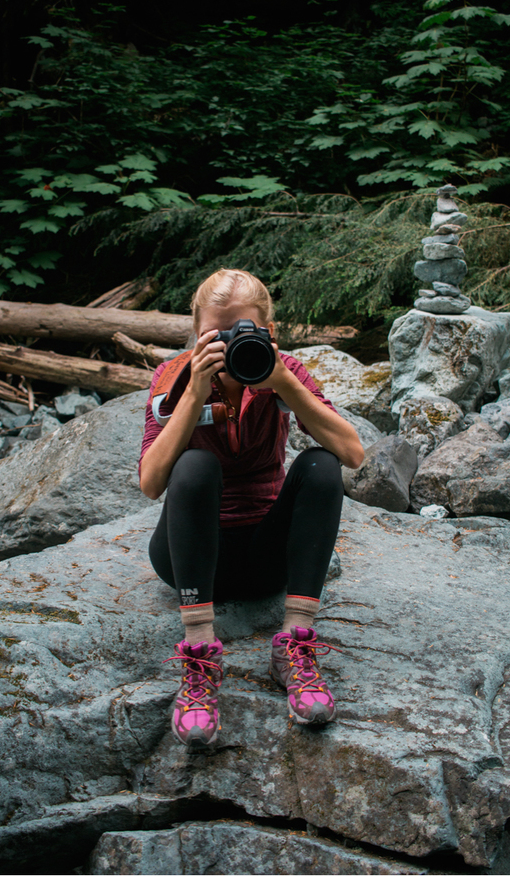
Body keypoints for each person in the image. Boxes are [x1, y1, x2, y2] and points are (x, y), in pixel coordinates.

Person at [137, 269, 367, 750]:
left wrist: (282, 380)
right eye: (213, 335)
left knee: (322, 465)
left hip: (269, 560)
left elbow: (353, 454)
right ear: (196, 333)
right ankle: (199, 653)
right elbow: (151, 483)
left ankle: (295, 643)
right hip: (190, 560)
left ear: (268, 332)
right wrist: (195, 392)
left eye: (240, 332)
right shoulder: (174, 376)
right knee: (194, 465)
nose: (226, 344)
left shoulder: (283, 370)